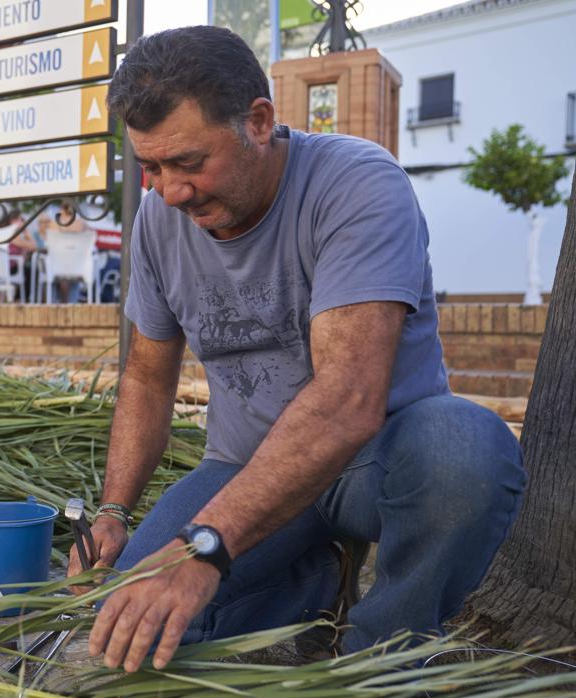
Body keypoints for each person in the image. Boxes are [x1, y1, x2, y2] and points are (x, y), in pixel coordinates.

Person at [67, 26, 525, 673]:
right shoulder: (158, 220)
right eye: (152, 167)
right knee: (131, 629)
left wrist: (203, 547)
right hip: (245, 468)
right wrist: (112, 512)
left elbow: (346, 402)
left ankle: (385, 661)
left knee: (465, 451)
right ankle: (310, 587)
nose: (170, 191)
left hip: (378, 462)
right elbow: (145, 379)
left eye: (189, 163)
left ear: (258, 121)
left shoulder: (356, 186)